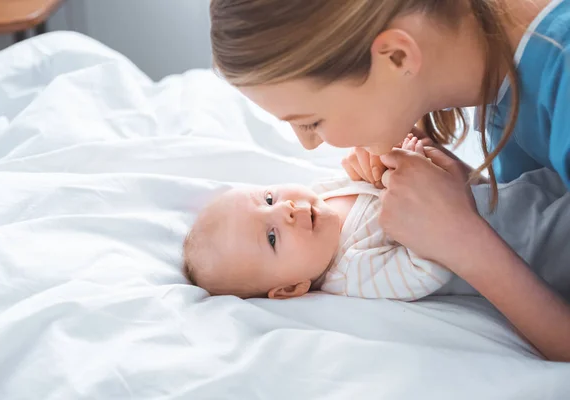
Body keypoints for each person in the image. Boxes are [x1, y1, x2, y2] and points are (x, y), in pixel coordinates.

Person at [209, 0, 570, 361]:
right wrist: (450, 184)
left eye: (311, 121)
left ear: (396, 57)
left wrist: (464, 241)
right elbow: (531, 201)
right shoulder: (505, 76)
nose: (309, 143)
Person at [184, 137, 453, 301]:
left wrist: (388, 157)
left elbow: (376, 175)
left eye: (268, 199)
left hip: (484, 189)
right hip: (488, 235)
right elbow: (430, 270)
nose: (284, 209)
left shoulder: (323, 193)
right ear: (290, 288)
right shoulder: (352, 271)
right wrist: (424, 189)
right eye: (271, 238)